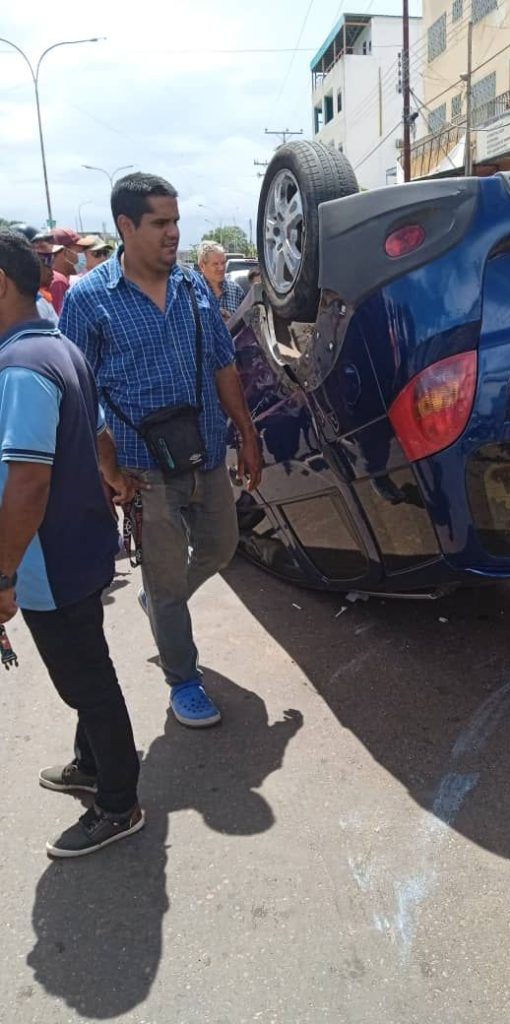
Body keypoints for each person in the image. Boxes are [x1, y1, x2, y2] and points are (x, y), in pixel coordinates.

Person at [60, 172, 262, 729]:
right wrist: (107, 465)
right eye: (161, 223)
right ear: (126, 226)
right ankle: (184, 679)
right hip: (142, 467)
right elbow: (80, 392)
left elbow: (223, 363)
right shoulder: (88, 300)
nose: (174, 233)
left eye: (176, 221)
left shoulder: (195, 287)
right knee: (168, 581)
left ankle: (161, 601)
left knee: (222, 547)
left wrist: (246, 432)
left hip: (202, 452)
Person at [0, 230, 143, 857]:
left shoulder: (21, 368)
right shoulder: (57, 348)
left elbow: (27, 485)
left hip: (49, 562)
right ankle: (92, 767)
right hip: (80, 548)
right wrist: (114, 478)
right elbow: (99, 433)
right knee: (88, 668)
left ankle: (119, 803)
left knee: (87, 682)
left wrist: (3, 580)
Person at [33, 228, 85, 313]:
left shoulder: (61, 279)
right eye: (80, 251)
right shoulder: (58, 281)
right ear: (65, 252)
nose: (83, 256)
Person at [197, 240, 244, 321]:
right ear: (202, 266)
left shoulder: (236, 290)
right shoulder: (194, 292)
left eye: (223, 263)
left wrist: (232, 320)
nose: (221, 268)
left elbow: (247, 324)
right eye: (215, 264)